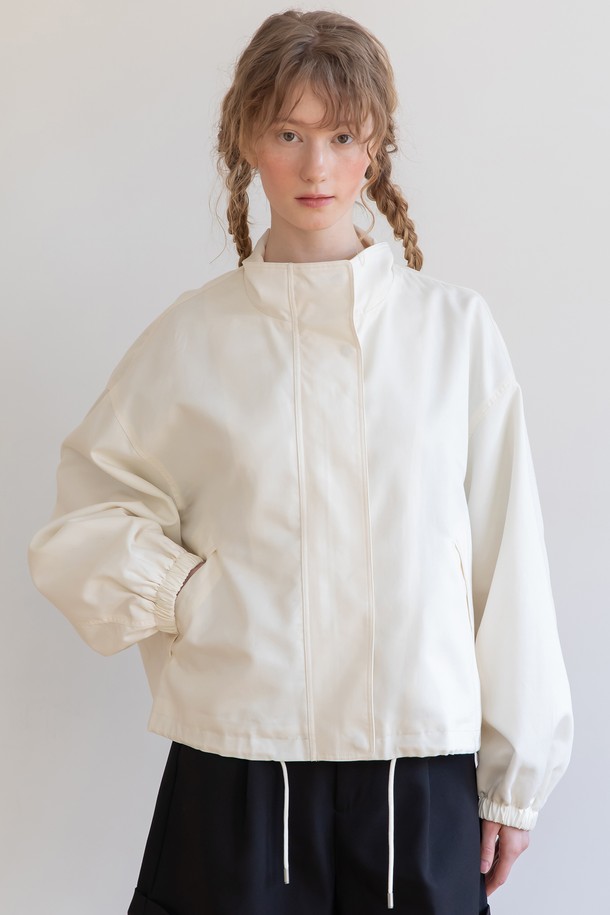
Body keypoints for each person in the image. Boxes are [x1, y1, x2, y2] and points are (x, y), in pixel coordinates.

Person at [27, 9, 573, 915]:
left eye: (342, 135)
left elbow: (506, 557)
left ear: (375, 146)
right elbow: (82, 518)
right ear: (248, 140)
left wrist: (515, 780)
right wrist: (186, 595)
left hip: (418, 773)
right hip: (241, 768)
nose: (317, 166)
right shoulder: (192, 338)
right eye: (289, 134)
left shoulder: (453, 333)